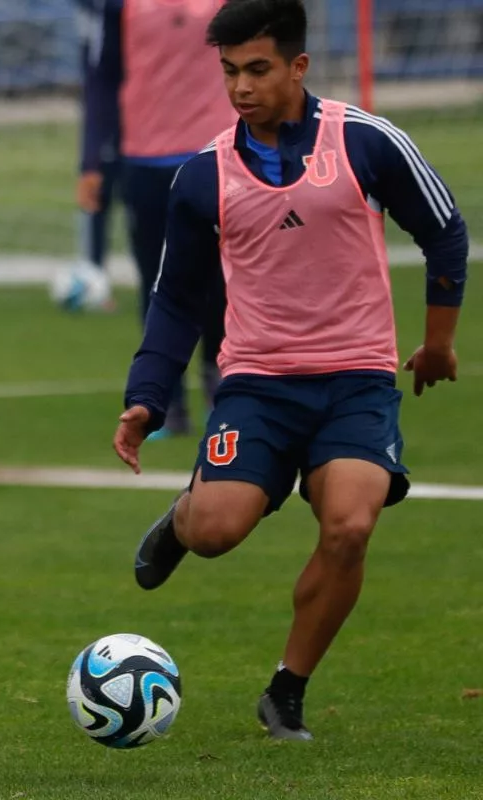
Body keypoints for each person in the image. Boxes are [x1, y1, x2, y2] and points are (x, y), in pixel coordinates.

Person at [113, 0, 468, 740]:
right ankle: (183, 519)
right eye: (229, 72)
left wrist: (438, 343)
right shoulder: (202, 176)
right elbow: (175, 302)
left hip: (357, 382)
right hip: (257, 386)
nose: (240, 87)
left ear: (298, 66)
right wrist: (146, 399)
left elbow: (445, 232)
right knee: (215, 532)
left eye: (257, 70)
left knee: (348, 527)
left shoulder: (366, 143)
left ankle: (287, 691)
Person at [77, 0, 234, 436]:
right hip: (145, 160)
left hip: (221, 153)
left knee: (225, 281)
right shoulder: (117, 6)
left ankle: (220, 384)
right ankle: (165, 400)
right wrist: (91, 160)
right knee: (158, 282)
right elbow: (102, 80)